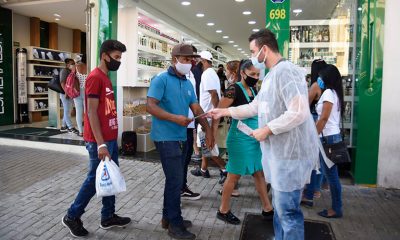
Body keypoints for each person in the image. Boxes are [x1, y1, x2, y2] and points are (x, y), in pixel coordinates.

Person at [209, 29, 319, 240]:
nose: (251, 57)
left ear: (264, 49)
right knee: (280, 210)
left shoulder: (286, 72)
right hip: (278, 155)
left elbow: (298, 111)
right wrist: (224, 111)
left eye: (253, 51)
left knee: (288, 212)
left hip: (290, 155)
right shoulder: (271, 77)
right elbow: (254, 107)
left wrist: (267, 129)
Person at [62, 40, 130, 238]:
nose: (118, 62)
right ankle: (72, 216)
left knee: (109, 177)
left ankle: (107, 216)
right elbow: (91, 113)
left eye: (120, 58)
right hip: (98, 141)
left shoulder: (106, 77)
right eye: (116, 57)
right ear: (104, 55)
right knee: (94, 180)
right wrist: (101, 143)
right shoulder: (95, 78)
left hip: (108, 138)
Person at [147, 43, 214, 240]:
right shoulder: (161, 79)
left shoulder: (187, 83)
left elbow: (196, 109)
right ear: (174, 58)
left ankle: (168, 218)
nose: (190, 63)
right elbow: (150, 106)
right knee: (176, 180)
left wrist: (209, 130)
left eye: (192, 60)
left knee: (174, 179)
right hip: (165, 137)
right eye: (186, 59)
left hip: (181, 136)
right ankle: (175, 224)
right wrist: (175, 118)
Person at [213, 59, 274, 225]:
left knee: (258, 172)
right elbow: (218, 112)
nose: (255, 77)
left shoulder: (254, 89)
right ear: (242, 73)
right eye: (252, 74)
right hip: (239, 139)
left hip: (254, 138)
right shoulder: (233, 89)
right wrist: (212, 137)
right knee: (233, 175)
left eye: (257, 74)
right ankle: (223, 210)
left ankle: (267, 208)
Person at [309, 64, 345, 218]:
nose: (319, 79)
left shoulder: (329, 93)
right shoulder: (335, 93)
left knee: (332, 176)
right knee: (331, 175)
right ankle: (336, 207)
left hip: (328, 139)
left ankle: (336, 209)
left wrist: (312, 135)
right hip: (331, 137)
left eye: (322, 77)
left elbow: (323, 118)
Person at [190, 51, 227, 180]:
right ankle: (203, 169)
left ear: (203, 61)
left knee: (208, 146)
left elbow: (214, 95)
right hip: (207, 115)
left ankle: (224, 169)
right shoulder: (212, 74)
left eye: (199, 61)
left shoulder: (207, 74)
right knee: (204, 143)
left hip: (207, 117)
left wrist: (215, 113)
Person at [302, 59, 328, 203]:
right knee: (320, 157)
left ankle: (311, 191)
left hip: (313, 122)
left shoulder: (315, 85)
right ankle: (317, 188)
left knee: (313, 159)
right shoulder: (330, 86)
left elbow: (304, 105)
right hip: (325, 124)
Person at [181, 69, 202, 201]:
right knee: (180, 161)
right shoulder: (165, 79)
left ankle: (182, 187)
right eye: (186, 58)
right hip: (179, 126)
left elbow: (194, 103)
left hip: (189, 125)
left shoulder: (191, 77)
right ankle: (179, 189)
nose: (189, 62)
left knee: (185, 159)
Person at [59, 58, 79, 134]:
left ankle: (63, 126)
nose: (73, 65)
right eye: (71, 63)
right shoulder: (64, 71)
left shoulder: (71, 71)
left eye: (74, 63)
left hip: (69, 93)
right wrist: (66, 93)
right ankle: (70, 127)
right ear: (67, 64)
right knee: (67, 111)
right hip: (65, 94)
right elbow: (62, 83)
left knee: (67, 110)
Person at [73, 54, 88, 137]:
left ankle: (80, 131)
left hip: (77, 90)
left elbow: (72, 77)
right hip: (87, 91)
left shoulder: (76, 66)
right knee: (87, 112)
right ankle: (87, 130)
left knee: (78, 112)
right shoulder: (89, 67)